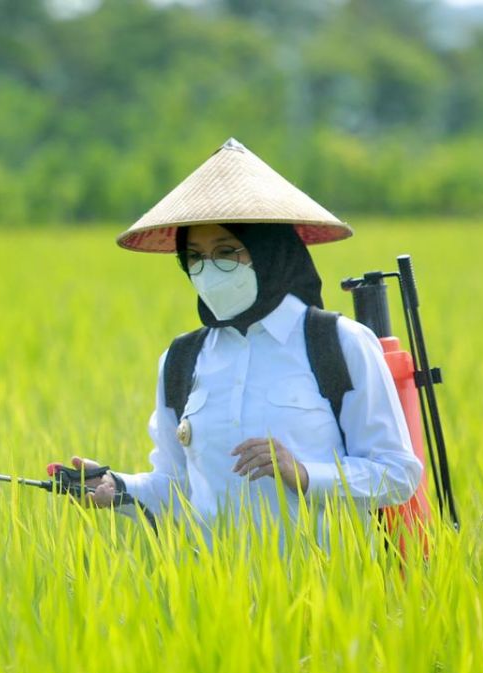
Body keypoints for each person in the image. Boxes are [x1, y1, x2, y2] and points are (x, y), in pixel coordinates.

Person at [61, 139, 422, 547]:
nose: (208, 270)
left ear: (269, 251)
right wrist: (117, 488)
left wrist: (304, 474)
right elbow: (178, 487)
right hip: (214, 583)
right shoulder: (181, 360)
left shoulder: (338, 343)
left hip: (331, 580)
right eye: (195, 257)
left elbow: (398, 473)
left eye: (227, 252)